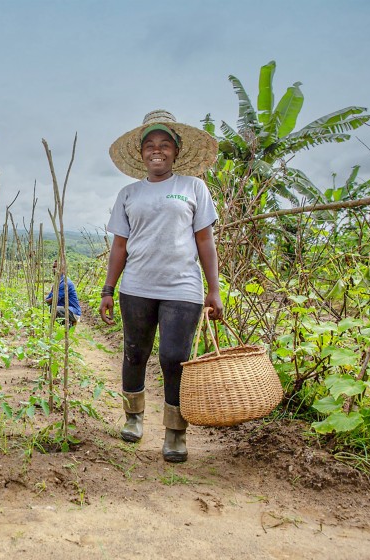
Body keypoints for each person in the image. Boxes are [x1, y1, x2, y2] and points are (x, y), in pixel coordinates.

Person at [100, 109, 222, 463]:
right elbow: (120, 247)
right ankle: (134, 418)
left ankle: (175, 433)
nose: (158, 150)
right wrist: (109, 290)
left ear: (176, 151)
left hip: (182, 287)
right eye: (150, 145)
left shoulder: (193, 187)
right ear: (141, 154)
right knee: (135, 352)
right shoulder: (129, 193)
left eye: (165, 144)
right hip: (136, 286)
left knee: (174, 358)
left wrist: (213, 290)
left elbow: (205, 242)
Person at [45, 260, 81, 326]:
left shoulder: (64, 283)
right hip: (65, 308)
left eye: (56, 267)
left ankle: (68, 326)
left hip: (73, 312)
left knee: (55, 309)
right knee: (51, 307)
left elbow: (53, 300)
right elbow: (49, 298)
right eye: (53, 267)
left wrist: (44, 302)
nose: (54, 269)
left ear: (62, 269)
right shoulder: (58, 282)